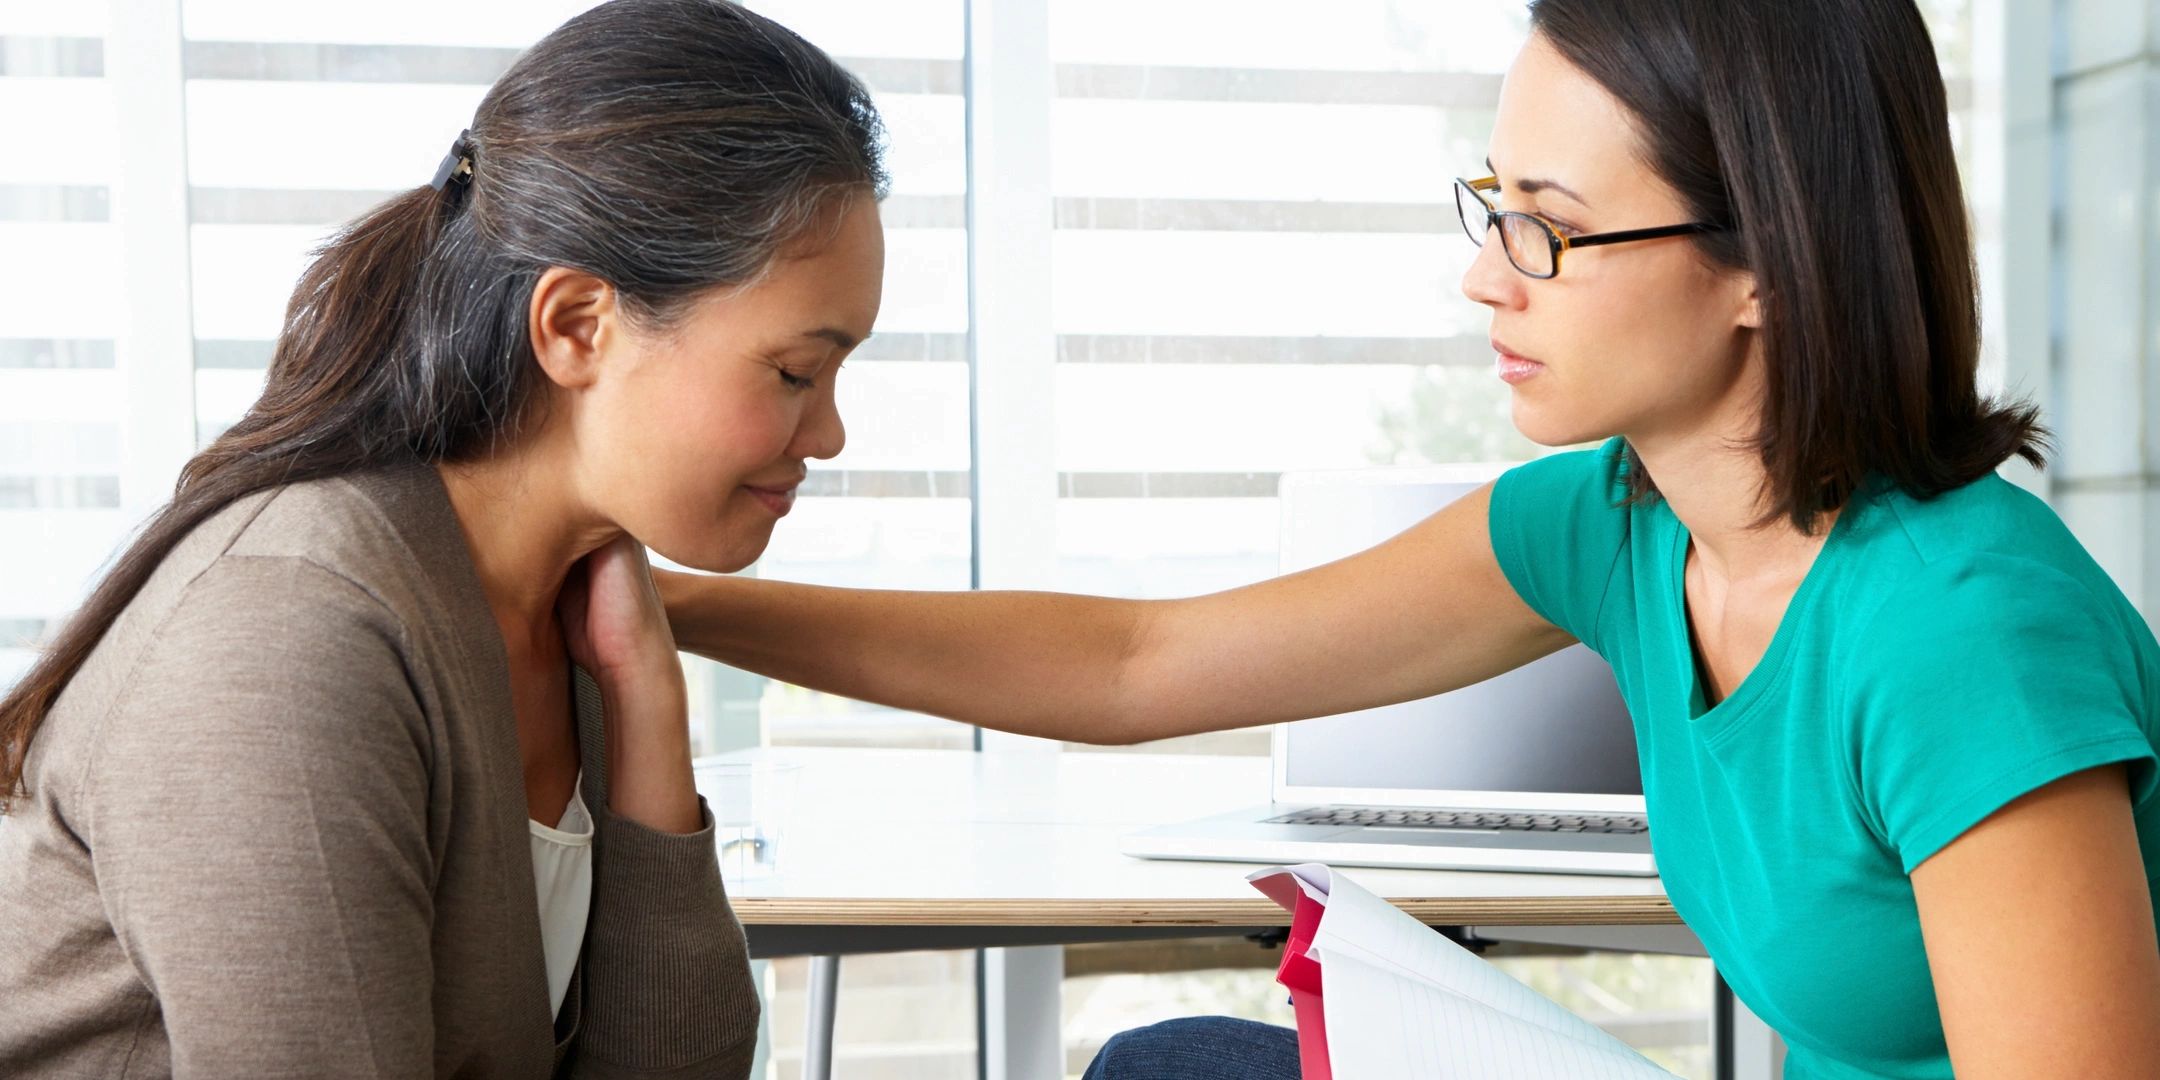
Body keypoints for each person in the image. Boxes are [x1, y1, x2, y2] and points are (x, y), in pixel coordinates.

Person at [655, 0, 2160, 1076]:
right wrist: (687, 612)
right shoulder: (1619, 526)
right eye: (1490, 204)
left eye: (1549, 227)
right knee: (1173, 1067)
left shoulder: (1959, 636)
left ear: (1766, 260)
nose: (1486, 278)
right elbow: (1136, 663)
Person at [0, 0, 886, 1074]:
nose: (829, 433)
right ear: (574, 327)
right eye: (795, 373)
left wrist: (647, 710)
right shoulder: (289, 638)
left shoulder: (567, 611)